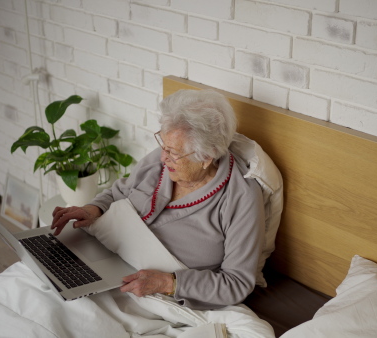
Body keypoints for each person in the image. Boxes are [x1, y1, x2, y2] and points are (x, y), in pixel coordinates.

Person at [50, 89, 265, 310]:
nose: (163, 157)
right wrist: (91, 210)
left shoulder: (241, 197)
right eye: (163, 145)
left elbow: (236, 283)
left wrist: (166, 283)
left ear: (206, 157)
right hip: (109, 258)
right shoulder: (163, 157)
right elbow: (118, 192)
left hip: (159, 296)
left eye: (173, 153)